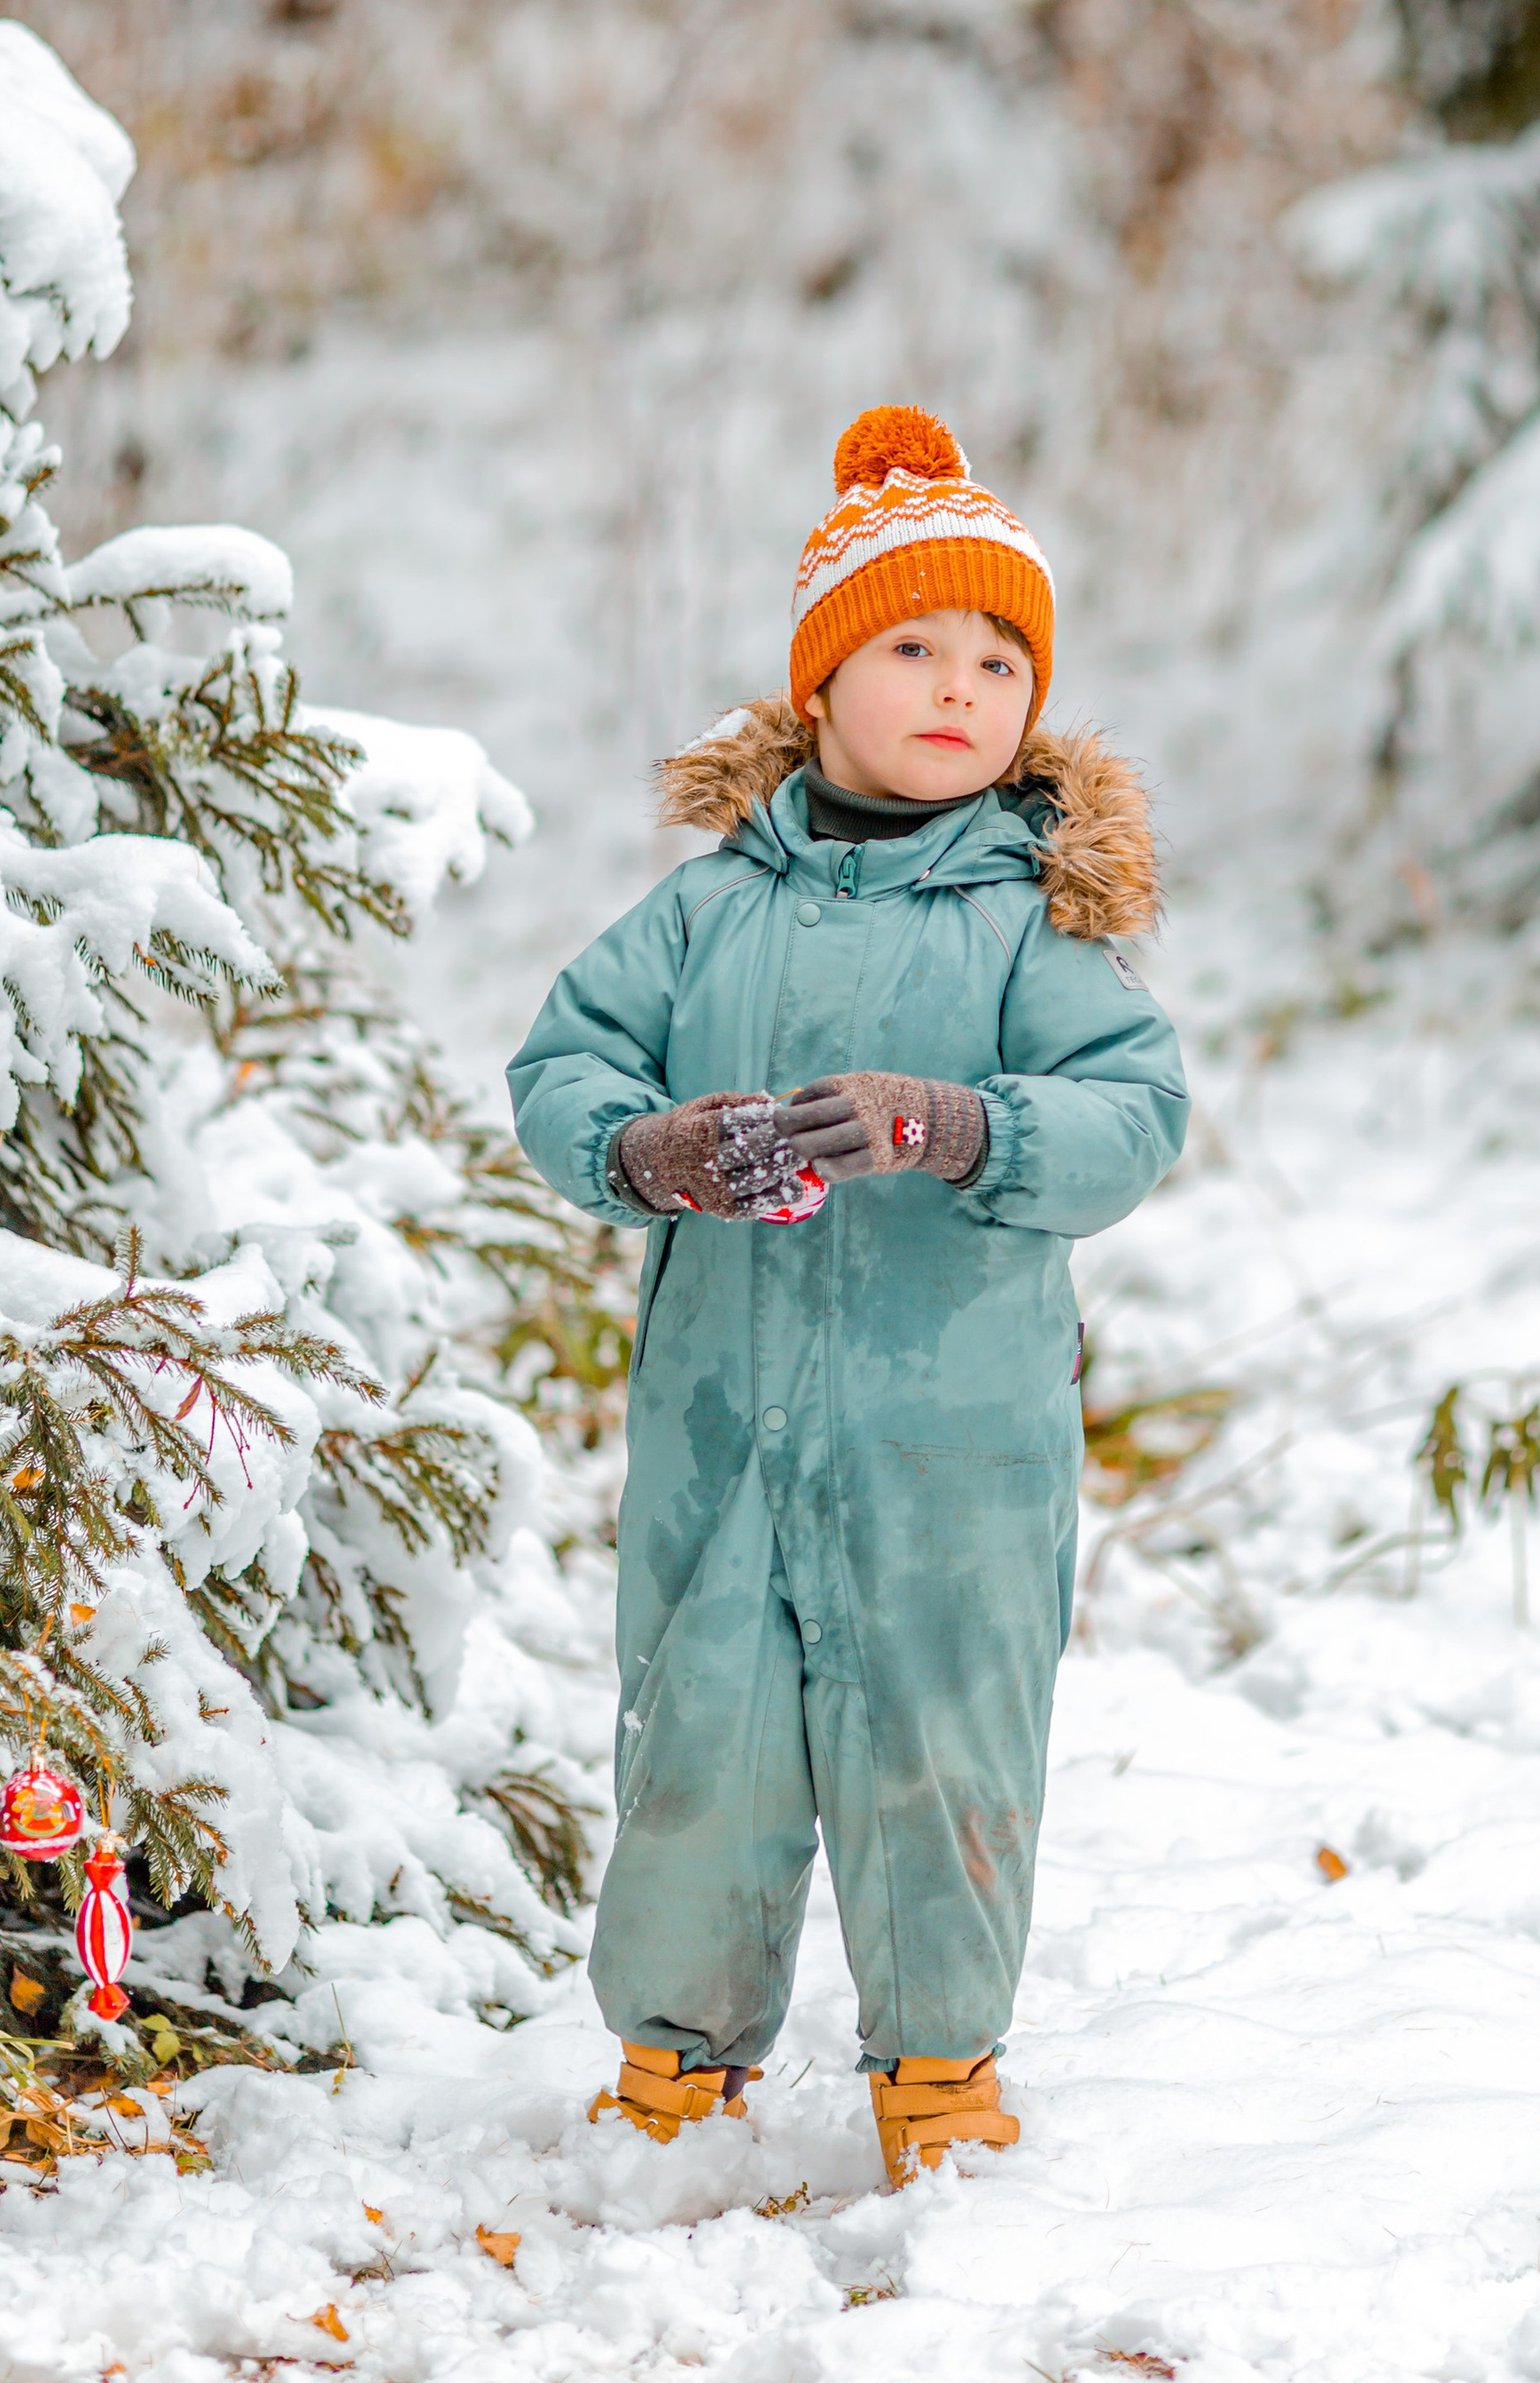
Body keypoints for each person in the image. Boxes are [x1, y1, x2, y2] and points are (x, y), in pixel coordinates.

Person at [508, 404, 1188, 2184]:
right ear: (818, 692)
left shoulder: (1038, 923)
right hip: (723, 1427)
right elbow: (561, 1065)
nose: (959, 686)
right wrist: (643, 1153)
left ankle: (939, 2069)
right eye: (912, 647)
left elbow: (1136, 1114)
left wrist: (960, 1122)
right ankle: (670, 2061)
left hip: (949, 1447)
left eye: (996, 658)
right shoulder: (703, 912)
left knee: (939, 1743)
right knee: (699, 1744)